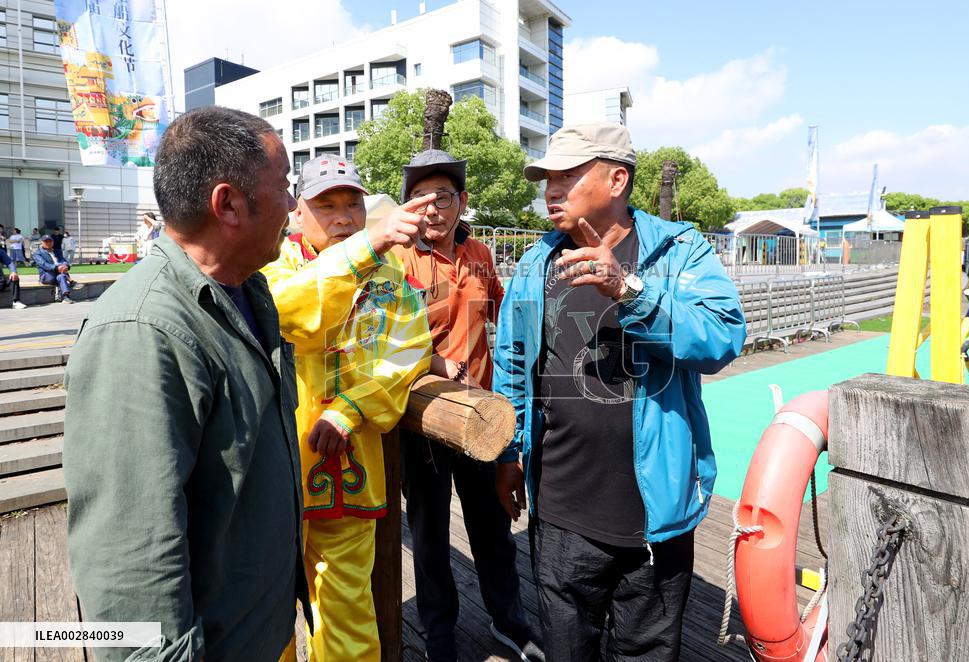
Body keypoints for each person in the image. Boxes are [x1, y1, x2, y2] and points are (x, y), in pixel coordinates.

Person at [63, 106, 310, 661]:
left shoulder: (246, 293)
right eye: (284, 186)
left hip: (258, 631)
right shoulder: (140, 331)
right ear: (229, 204)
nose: (293, 204)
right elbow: (129, 556)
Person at [493, 123, 746, 661]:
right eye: (547, 179)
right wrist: (509, 453)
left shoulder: (679, 251)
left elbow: (722, 338)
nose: (551, 191)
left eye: (567, 176)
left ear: (616, 180)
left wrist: (629, 291)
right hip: (560, 512)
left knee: (646, 652)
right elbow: (513, 362)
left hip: (656, 517)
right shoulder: (536, 263)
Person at [261, 156, 432, 662]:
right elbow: (287, 314)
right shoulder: (270, 266)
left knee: (349, 610)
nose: (343, 218)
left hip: (351, 468)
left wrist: (350, 409)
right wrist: (365, 248)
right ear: (296, 212)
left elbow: (409, 349)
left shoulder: (389, 272)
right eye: (326, 206)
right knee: (266, 614)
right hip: (275, 471)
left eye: (353, 204)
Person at [392, 150, 543, 662]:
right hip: (422, 419)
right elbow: (381, 339)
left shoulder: (479, 252)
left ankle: (508, 621)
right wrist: (434, 361)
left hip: (481, 415)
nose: (431, 209)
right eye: (419, 198)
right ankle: (439, 634)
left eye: (442, 198)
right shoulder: (397, 258)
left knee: (493, 527)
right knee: (429, 535)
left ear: (462, 201)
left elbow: (507, 313)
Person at [32, 235, 76, 303]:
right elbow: (43, 264)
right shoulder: (37, 253)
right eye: (46, 241)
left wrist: (66, 266)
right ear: (42, 242)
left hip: (59, 272)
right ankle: (71, 281)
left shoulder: (57, 251)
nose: (48, 243)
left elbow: (63, 260)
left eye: (50, 241)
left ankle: (65, 297)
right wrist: (56, 268)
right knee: (61, 273)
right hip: (46, 275)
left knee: (62, 276)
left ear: (53, 242)